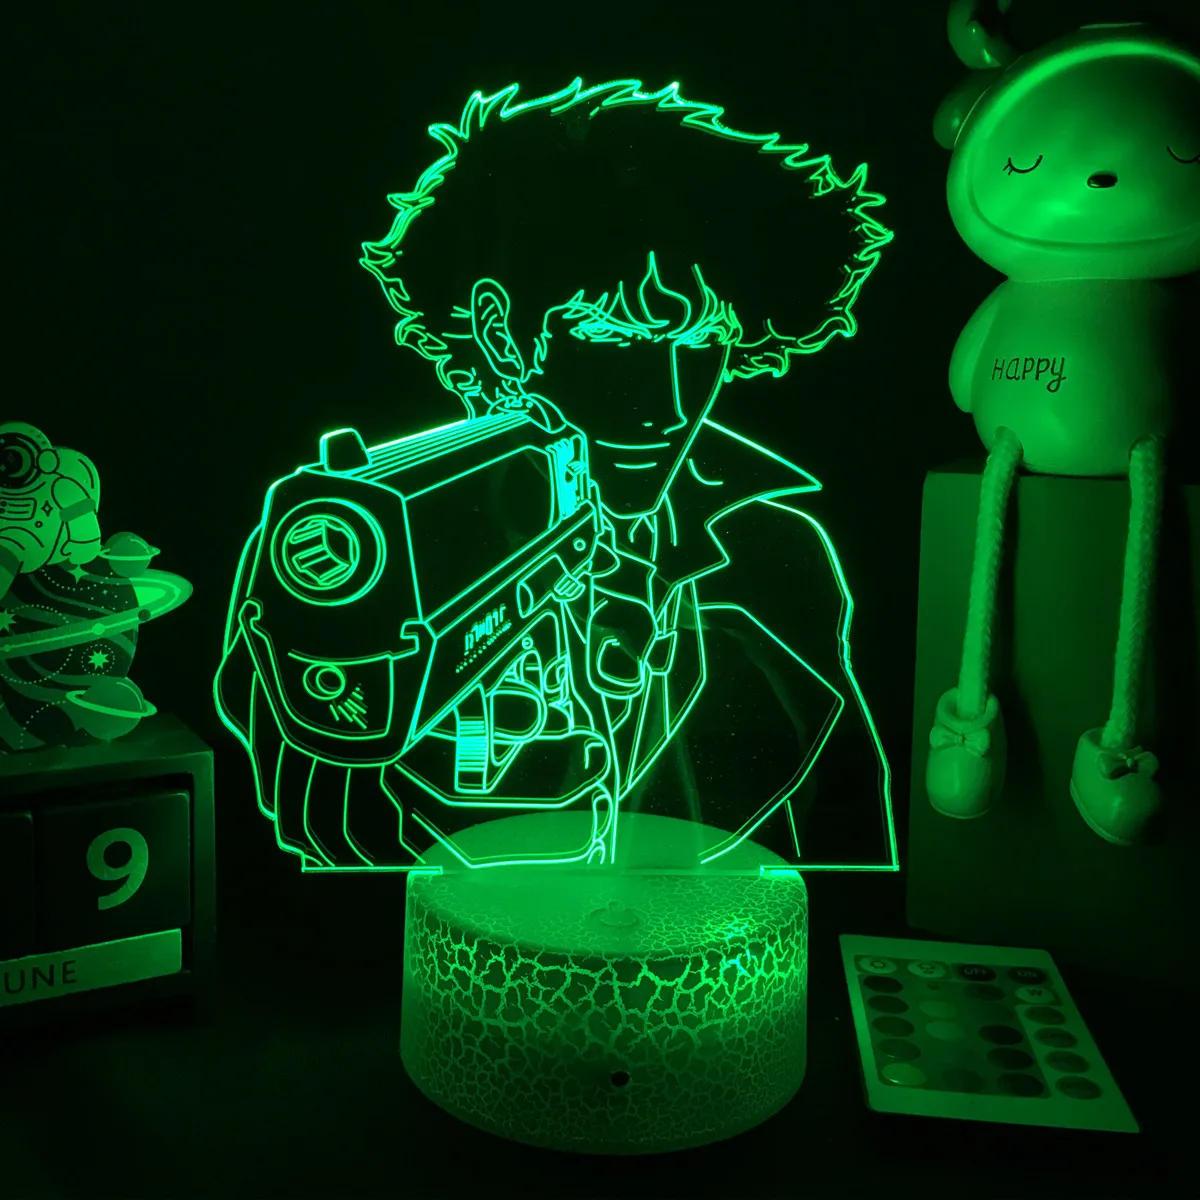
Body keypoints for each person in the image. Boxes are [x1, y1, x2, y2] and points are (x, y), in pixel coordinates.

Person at [354, 78, 898, 871]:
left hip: (717, 943)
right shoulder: (361, 551)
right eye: (616, 344)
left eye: (702, 346)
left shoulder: (776, 552)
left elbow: (845, 835)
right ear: (501, 334)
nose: (669, 408)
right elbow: (328, 830)